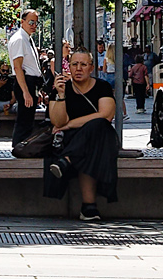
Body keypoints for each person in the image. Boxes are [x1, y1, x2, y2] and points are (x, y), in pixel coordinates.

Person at [48, 46, 121, 222]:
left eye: (83, 64)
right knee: (87, 149)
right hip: (73, 140)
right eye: (74, 64)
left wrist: (70, 124)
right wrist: (61, 96)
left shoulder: (102, 87)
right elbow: (58, 123)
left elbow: (106, 115)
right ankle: (88, 207)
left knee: (98, 126)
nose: (78, 69)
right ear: (69, 67)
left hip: (101, 138)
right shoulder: (61, 88)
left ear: (91, 67)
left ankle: (67, 160)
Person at [4, 9, 44, 138]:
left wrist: (36, 90)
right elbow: (17, 67)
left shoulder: (27, 39)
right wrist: (26, 91)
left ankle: (23, 144)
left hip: (31, 83)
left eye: (36, 23)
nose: (34, 26)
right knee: (24, 119)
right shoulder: (20, 39)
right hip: (25, 82)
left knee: (28, 119)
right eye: (31, 22)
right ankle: (19, 145)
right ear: (22, 22)